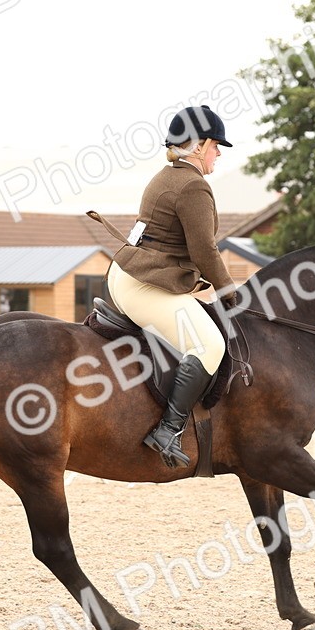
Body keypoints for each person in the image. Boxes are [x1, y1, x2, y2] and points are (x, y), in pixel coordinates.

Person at [106, 105, 236, 468]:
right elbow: (204, 250)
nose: (219, 153)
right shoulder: (193, 185)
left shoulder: (168, 176)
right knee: (209, 345)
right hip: (143, 285)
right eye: (215, 146)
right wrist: (228, 289)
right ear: (197, 146)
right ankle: (168, 429)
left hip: (134, 275)